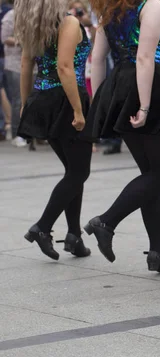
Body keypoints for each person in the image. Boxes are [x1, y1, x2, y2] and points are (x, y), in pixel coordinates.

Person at [83, 0, 160, 274]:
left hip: (121, 86)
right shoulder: (151, 5)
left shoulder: (109, 8)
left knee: (151, 174)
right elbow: (145, 57)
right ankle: (106, 221)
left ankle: (157, 251)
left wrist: (100, 101)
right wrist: (145, 105)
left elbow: (99, 58)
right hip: (151, 86)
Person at [15, 0, 92, 260]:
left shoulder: (34, 26)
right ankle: (43, 227)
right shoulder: (69, 22)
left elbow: (26, 64)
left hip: (44, 100)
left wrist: (26, 104)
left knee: (74, 171)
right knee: (79, 171)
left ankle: (74, 237)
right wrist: (79, 110)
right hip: (67, 100)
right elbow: (64, 67)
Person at [1, 2, 21, 142]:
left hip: (32, 64)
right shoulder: (10, 16)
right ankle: (16, 133)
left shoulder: (33, 15)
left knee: (31, 99)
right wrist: (22, 42)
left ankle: (33, 133)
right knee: (17, 99)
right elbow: (4, 38)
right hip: (14, 64)